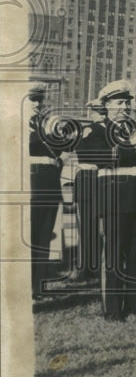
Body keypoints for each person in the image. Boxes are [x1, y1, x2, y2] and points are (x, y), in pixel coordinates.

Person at [90, 80, 136, 320]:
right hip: (114, 195)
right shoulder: (97, 130)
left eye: (127, 102)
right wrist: (129, 144)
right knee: (115, 254)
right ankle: (113, 309)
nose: (125, 107)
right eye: (119, 102)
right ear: (106, 105)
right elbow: (94, 155)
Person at [27, 84, 64, 298]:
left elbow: (64, 149)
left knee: (43, 237)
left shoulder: (49, 123)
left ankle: (37, 287)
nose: (37, 104)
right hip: (29, 181)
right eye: (32, 99)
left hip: (49, 182)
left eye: (39, 100)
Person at [69, 98, 106, 281]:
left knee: (92, 227)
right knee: (91, 227)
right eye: (100, 111)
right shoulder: (91, 130)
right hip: (91, 179)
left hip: (94, 180)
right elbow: (81, 151)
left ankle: (90, 267)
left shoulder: (96, 130)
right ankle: (88, 267)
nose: (100, 114)